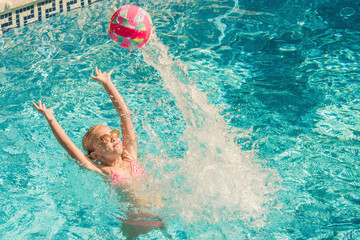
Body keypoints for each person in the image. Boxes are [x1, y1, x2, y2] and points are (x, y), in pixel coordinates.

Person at [32, 67, 167, 239]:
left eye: (114, 133)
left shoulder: (130, 156)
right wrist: (51, 119)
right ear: (96, 155)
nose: (113, 138)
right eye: (105, 138)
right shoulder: (106, 172)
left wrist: (108, 84)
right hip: (136, 221)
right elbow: (71, 149)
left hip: (161, 213)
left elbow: (125, 115)